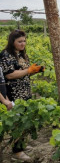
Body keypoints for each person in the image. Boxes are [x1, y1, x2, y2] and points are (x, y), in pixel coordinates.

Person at [0, 30, 43, 161]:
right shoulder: (5, 55)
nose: (23, 43)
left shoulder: (22, 54)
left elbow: (25, 72)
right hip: (13, 93)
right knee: (16, 122)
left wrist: (35, 71)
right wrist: (27, 70)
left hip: (25, 93)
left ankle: (20, 145)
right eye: (19, 41)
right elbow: (9, 74)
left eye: (24, 41)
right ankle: (17, 151)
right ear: (12, 42)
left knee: (24, 121)